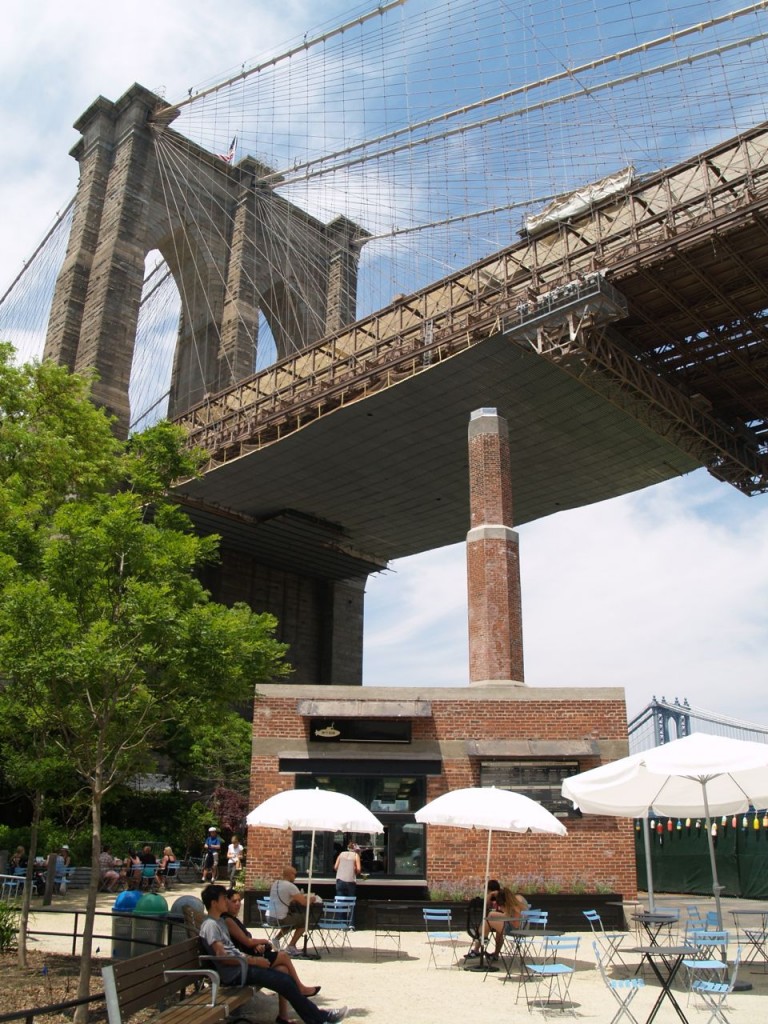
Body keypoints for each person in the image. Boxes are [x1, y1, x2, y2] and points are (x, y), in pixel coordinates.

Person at [199, 884, 347, 1024]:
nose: (227, 901)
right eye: (224, 898)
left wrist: (254, 957)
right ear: (214, 903)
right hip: (235, 973)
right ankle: (321, 1018)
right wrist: (255, 961)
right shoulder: (211, 925)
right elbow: (222, 957)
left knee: (284, 976)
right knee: (284, 982)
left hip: (241, 968)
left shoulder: (218, 922)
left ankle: (315, 1017)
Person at [222, 887, 323, 1009]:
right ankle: (300, 987)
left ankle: (283, 1015)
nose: (238, 904)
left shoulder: (233, 919)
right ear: (225, 902)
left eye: (239, 900)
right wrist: (263, 941)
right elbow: (247, 942)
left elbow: (244, 941)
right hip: (246, 961)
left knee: (283, 970)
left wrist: (257, 944)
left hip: (250, 954)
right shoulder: (228, 920)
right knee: (283, 955)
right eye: (234, 901)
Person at [466, 879, 529, 960]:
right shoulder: (516, 898)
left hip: (518, 929)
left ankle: (481, 941)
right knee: (490, 916)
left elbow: (515, 920)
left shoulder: (514, 903)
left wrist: (503, 914)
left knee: (488, 920)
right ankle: (485, 943)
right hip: (522, 927)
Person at [269, 866, 323, 955]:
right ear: (290, 875)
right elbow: (304, 903)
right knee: (304, 922)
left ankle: (276, 939)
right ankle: (291, 946)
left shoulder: (276, 883)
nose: (295, 877)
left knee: (294, 920)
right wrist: (312, 899)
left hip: (270, 917)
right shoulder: (290, 886)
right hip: (280, 919)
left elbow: (284, 897)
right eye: (295, 874)